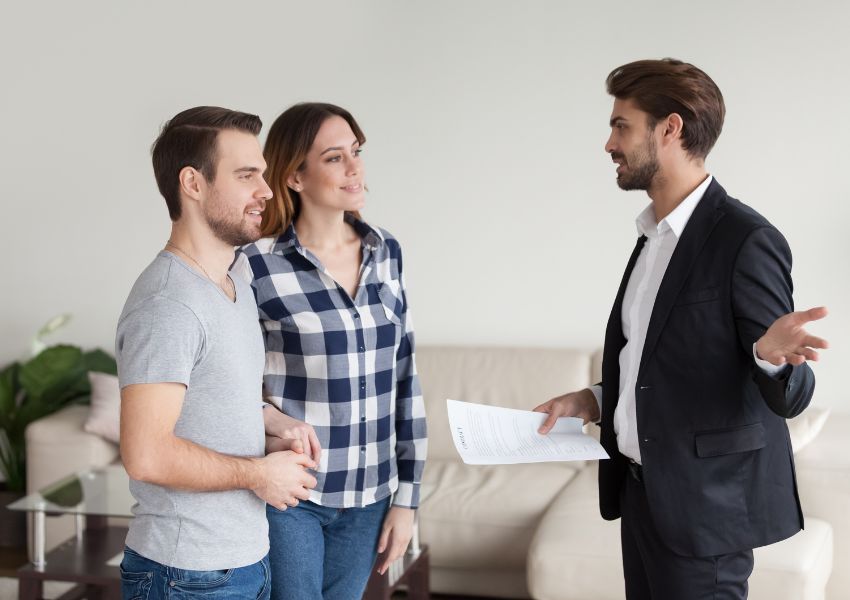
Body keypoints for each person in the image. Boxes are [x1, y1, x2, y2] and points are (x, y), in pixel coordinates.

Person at [534, 59, 829, 599]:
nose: (609, 143)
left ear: (669, 129)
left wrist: (768, 356)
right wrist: (593, 399)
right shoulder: (653, 237)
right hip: (644, 497)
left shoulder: (745, 239)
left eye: (621, 125)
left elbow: (793, 395)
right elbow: (663, 365)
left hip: (705, 514)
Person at [116, 106, 317, 599]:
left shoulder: (236, 277)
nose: (267, 191)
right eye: (247, 175)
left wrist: (273, 422)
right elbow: (146, 453)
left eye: (263, 175)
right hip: (186, 573)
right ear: (193, 183)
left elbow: (214, 397)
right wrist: (257, 475)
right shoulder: (167, 303)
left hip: (244, 560)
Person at [233, 102, 428, 600]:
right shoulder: (255, 264)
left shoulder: (387, 251)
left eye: (356, 152)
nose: (355, 167)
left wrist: (407, 500)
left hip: (371, 495)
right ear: (295, 175)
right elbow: (226, 381)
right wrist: (267, 422)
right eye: (335, 157)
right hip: (294, 493)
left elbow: (405, 377)